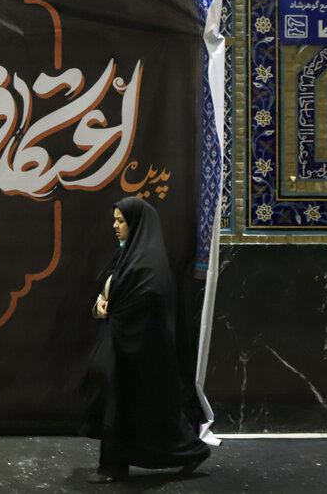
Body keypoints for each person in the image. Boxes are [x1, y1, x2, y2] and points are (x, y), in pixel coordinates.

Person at [82, 196, 210, 483]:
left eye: (121, 221)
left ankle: (186, 453)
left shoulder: (149, 265)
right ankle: (115, 465)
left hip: (141, 351)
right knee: (120, 406)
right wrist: (100, 303)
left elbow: (147, 303)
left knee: (139, 410)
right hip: (121, 346)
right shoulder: (124, 257)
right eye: (114, 220)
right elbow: (108, 289)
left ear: (137, 224)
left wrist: (115, 310)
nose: (115, 226)